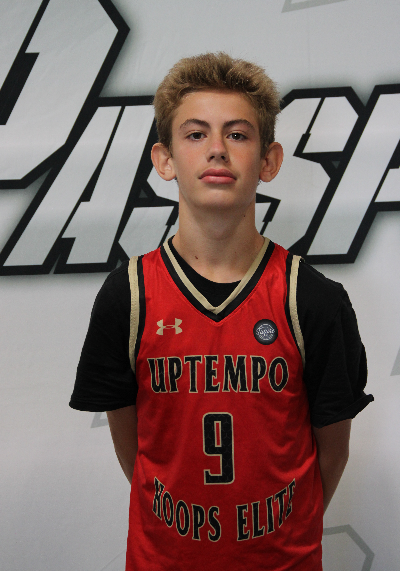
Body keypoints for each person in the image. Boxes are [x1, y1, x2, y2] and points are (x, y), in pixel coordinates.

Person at [69, 52, 373, 570]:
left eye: (237, 134)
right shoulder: (129, 296)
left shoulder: (312, 299)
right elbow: (135, 446)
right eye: (195, 134)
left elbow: (333, 450)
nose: (216, 149)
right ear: (164, 160)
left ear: (269, 161)